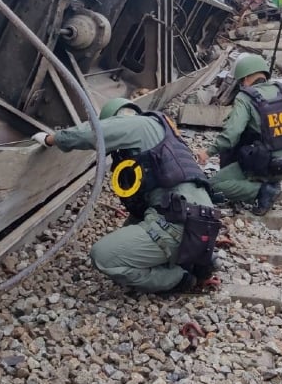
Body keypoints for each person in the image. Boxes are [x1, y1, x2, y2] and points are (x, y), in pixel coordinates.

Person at [32, 97, 220, 294]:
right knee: (127, 233)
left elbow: (94, 132)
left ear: (115, 118)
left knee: (103, 256)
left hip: (176, 223)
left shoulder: (135, 124)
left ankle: (179, 278)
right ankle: (194, 256)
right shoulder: (162, 132)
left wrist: (51, 139)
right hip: (200, 220)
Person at [195, 54, 282, 215]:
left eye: (241, 81)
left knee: (213, 186)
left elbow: (231, 135)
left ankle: (262, 190)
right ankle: (270, 183)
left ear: (247, 78)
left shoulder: (246, 98)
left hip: (268, 164)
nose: (242, 84)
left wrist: (207, 153)